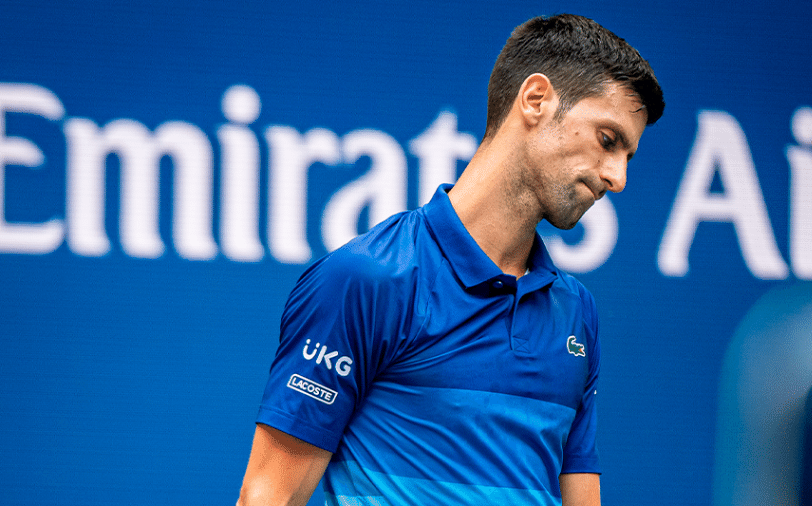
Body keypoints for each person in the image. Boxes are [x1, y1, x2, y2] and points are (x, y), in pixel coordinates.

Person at [237, 13, 664, 506]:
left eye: (627, 157)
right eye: (608, 141)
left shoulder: (577, 312)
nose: (618, 177)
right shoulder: (366, 279)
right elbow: (268, 496)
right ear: (536, 100)